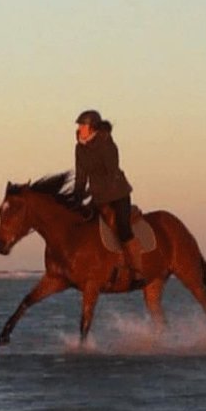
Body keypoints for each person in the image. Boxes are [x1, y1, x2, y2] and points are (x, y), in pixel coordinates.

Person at [73, 109, 146, 287]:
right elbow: (81, 176)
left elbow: (111, 172)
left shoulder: (106, 144)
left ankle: (137, 272)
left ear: (92, 128)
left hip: (117, 193)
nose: (79, 128)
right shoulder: (80, 148)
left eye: (83, 125)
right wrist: (77, 198)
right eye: (79, 125)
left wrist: (95, 194)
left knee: (123, 229)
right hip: (98, 196)